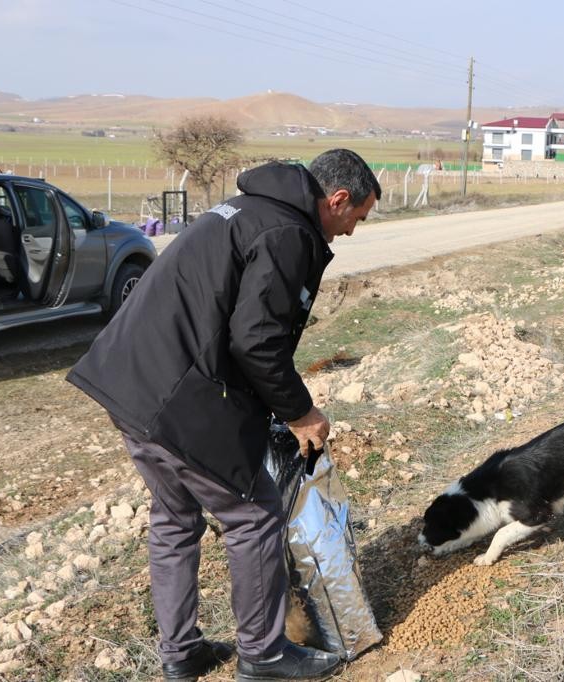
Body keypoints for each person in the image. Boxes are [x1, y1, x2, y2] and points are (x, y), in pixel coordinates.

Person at [67, 149, 380, 681]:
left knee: (175, 518)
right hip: (174, 394)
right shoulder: (287, 232)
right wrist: (301, 412)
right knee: (254, 515)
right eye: (357, 218)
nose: (351, 232)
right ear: (338, 199)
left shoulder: (248, 207)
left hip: (128, 382)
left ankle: (181, 654)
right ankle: (264, 656)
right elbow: (255, 341)